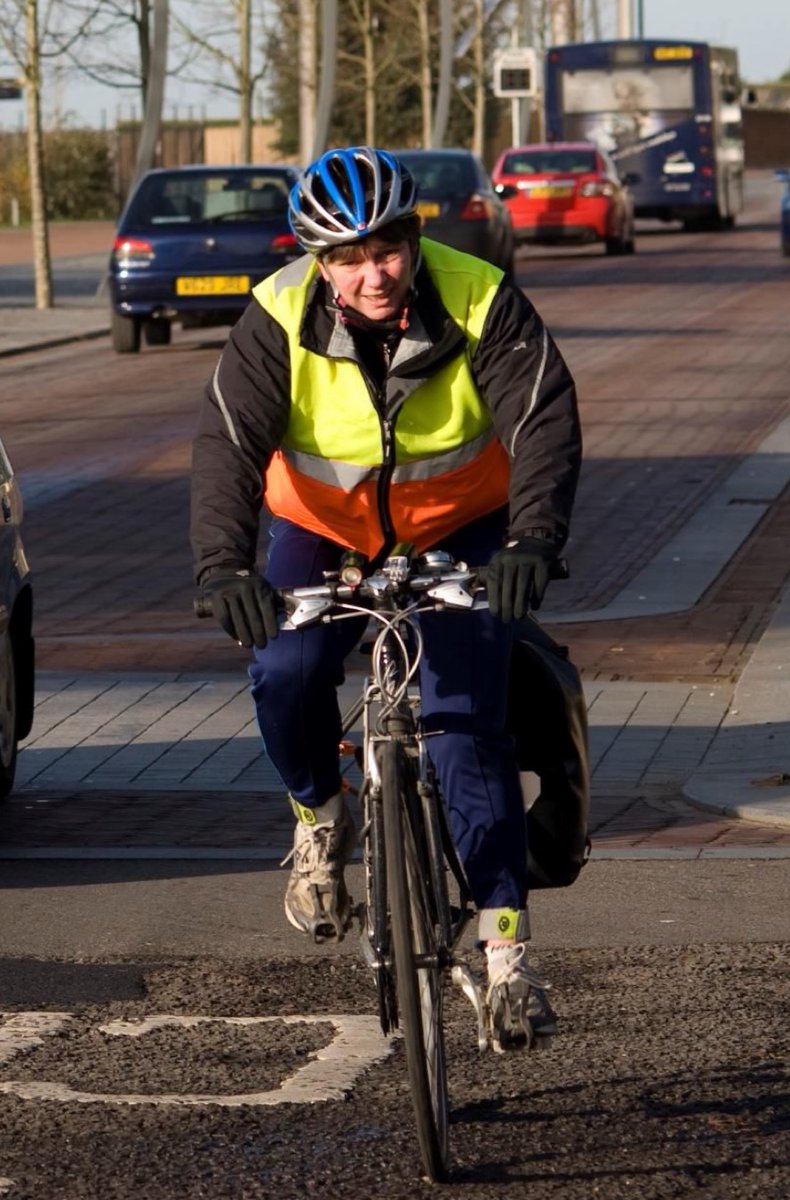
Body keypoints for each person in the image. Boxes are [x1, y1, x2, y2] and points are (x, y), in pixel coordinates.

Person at [190, 146, 582, 1048]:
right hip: (321, 529)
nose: (374, 273)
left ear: (414, 237)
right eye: (349, 257)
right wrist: (222, 566)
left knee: (462, 729)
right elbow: (227, 445)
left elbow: (544, 417)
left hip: (461, 527)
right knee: (285, 669)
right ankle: (319, 817)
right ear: (317, 260)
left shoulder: (482, 295)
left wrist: (532, 542)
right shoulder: (276, 315)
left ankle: (505, 949)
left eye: (389, 248)